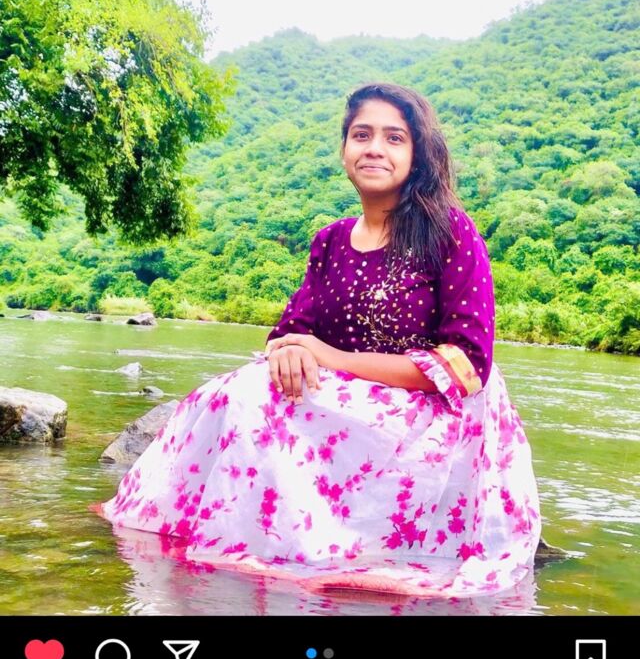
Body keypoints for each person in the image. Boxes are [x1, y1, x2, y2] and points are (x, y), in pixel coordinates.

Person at [99, 82, 541, 598]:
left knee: (253, 396)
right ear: (345, 148)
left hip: (427, 416)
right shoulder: (331, 240)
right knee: (236, 390)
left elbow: (467, 366)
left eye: (394, 138)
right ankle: (226, 552)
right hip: (348, 407)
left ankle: (303, 551)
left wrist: (329, 356)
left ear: (417, 154)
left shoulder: (450, 232)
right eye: (362, 135)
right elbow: (290, 330)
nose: (374, 148)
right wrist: (289, 349)